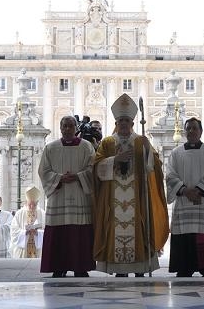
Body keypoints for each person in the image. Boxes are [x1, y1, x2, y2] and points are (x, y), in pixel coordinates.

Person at [93, 93, 169, 277]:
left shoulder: (141, 141)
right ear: (116, 123)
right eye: (121, 121)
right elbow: (96, 167)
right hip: (113, 200)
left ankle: (140, 267)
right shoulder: (107, 142)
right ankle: (119, 269)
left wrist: (148, 153)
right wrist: (115, 159)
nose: (124, 124)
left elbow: (154, 166)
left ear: (133, 123)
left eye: (127, 121)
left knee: (140, 227)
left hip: (137, 197)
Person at [39, 115, 96, 277]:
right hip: (58, 195)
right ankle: (58, 267)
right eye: (64, 126)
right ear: (60, 128)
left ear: (76, 128)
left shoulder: (86, 147)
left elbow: (93, 168)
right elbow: (43, 171)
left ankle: (80, 267)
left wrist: (78, 176)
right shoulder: (51, 148)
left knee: (80, 233)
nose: (67, 129)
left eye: (71, 126)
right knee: (58, 232)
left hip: (79, 193)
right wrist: (59, 178)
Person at [165, 117, 204, 277]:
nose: (191, 131)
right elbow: (170, 175)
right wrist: (185, 191)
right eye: (188, 128)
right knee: (185, 237)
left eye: (194, 128)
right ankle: (184, 267)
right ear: (184, 131)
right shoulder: (176, 153)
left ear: (201, 131)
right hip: (184, 201)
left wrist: (198, 192)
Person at [10, 186, 46, 258]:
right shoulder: (19, 213)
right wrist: (24, 232)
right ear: (26, 202)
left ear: (37, 203)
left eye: (34, 204)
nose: (32, 206)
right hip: (24, 249)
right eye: (30, 204)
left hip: (38, 250)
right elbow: (13, 230)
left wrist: (38, 233)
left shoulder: (42, 213)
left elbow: (47, 231)